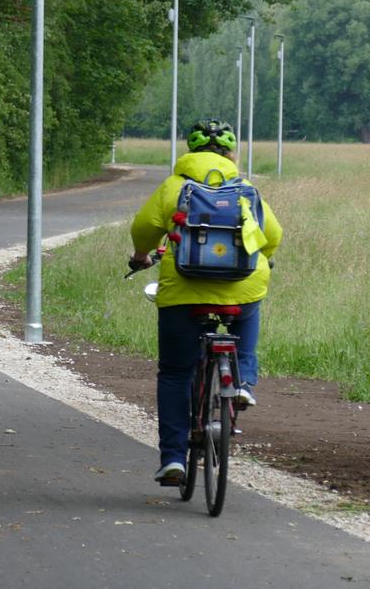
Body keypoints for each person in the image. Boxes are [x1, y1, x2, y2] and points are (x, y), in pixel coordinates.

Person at [127, 119, 283, 486]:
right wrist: (266, 257)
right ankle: (242, 382)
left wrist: (139, 256)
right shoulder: (246, 188)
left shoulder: (175, 187)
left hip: (184, 291)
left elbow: (144, 228)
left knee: (176, 373)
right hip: (242, 286)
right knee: (247, 313)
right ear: (231, 154)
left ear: (189, 152)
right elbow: (272, 234)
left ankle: (174, 459)